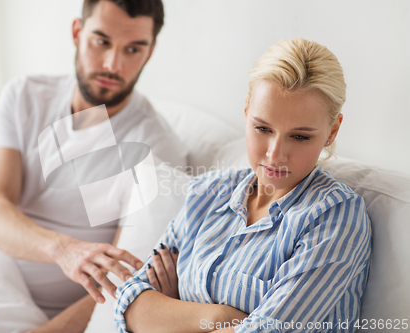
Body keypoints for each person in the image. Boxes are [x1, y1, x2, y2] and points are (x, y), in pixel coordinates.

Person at [115, 37, 372, 333]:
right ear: (247, 111)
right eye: (262, 128)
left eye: (300, 136)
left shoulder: (335, 217)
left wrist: (172, 313)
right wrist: (220, 317)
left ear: (332, 130)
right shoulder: (207, 192)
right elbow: (129, 305)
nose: (275, 154)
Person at [0, 0, 187, 330]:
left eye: (133, 49)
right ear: (77, 32)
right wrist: (64, 249)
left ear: (150, 52)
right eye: (101, 41)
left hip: (47, 314)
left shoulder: (156, 149)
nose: (112, 65)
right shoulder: (24, 96)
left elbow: (124, 280)